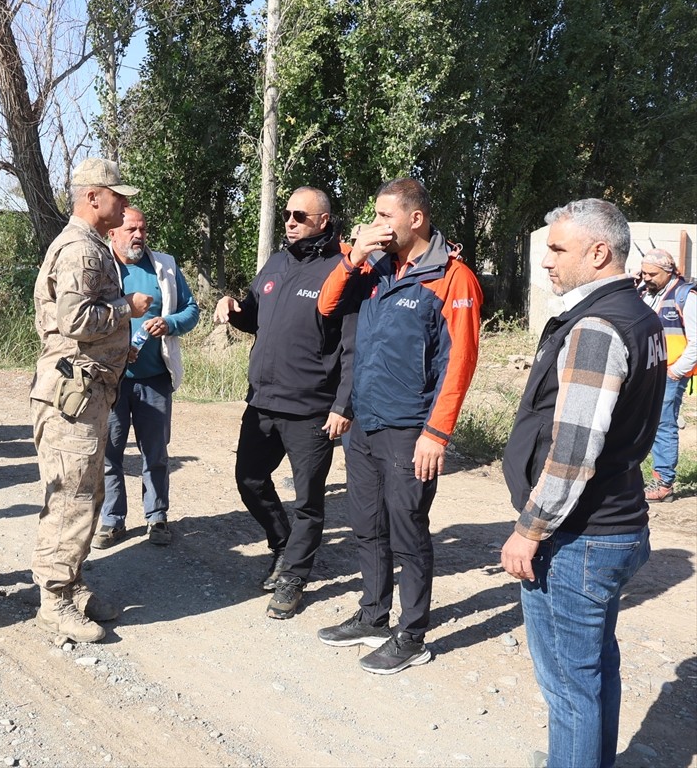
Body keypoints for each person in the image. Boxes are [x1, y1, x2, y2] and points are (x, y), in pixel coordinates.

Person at [500, 199, 666, 768]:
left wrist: (529, 529)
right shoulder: (637, 313)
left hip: (581, 537)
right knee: (593, 671)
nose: (546, 260)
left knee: (570, 688)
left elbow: (572, 454)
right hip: (614, 524)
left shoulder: (597, 326)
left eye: (557, 248)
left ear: (599, 253)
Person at [315, 177, 482, 674]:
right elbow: (326, 307)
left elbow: (461, 363)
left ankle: (411, 635)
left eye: (386, 216)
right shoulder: (373, 267)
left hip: (412, 430)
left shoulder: (453, 278)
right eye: (375, 215)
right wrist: (352, 257)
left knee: (408, 528)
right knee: (367, 525)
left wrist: (437, 433)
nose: (377, 224)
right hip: (365, 422)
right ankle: (372, 614)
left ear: (416, 218)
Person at [213, 186, 356, 619]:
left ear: (323, 222)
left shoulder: (341, 270)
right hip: (263, 400)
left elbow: (352, 348)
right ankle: (282, 543)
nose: (290, 221)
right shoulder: (275, 263)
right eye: (287, 214)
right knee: (250, 480)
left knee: (309, 501)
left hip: (312, 407)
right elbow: (254, 315)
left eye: (299, 215)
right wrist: (234, 309)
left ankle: (294, 574)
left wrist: (342, 406)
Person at [30, 158, 152, 643]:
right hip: (72, 392)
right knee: (71, 496)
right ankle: (54, 599)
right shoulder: (80, 249)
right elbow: (77, 322)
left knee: (89, 491)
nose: (123, 204)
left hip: (90, 390)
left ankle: (72, 582)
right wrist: (129, 309)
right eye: (117, 195)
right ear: (93, 196)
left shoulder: (92, 245)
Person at [94, 207, 199, 550]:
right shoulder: (100, 265)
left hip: (154, 378)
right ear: (112, 232)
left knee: (155, 452)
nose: (138, 235)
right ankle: (112, 520)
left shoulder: (164, 265)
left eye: (143, 228)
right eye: (130, 229)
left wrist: (169, 323)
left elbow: (191, 309)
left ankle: (157, 517)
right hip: (111, 378)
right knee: (109, 453)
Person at [638, 248, 695, 502]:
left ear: (669, 272)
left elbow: (695, 342)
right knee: (641, 421)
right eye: (643, 272)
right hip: (647, 371)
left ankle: (663, 483)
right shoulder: (644, 292)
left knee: (663, 424)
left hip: (669, 374)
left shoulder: (686, 296)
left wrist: (675, 372)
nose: (646, 277)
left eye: (652, 273)